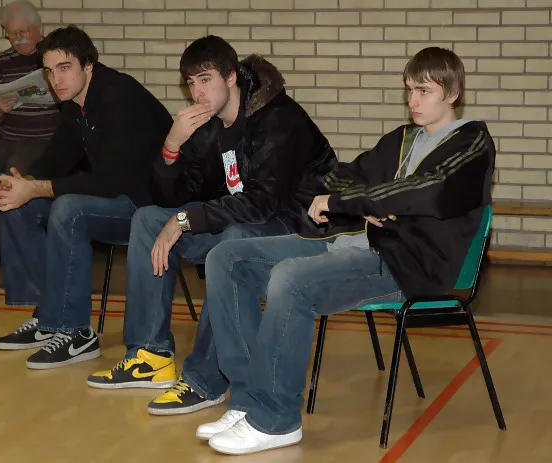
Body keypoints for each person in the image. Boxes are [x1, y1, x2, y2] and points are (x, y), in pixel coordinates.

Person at [200, 47, 496, 455]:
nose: (413, 101)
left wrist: (361, 201)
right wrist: (364, 202)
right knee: (227, 258)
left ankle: (277, 419)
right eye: (409, 90)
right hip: (356, 244)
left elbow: (428, 189)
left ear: (453, 93)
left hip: (408, 265)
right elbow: (338, 179)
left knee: (290, 280)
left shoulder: (472, 142)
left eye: (424, 91)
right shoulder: (401, 139)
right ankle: (249, 401)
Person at [86, 36, 343, 413]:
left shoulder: (279, 119)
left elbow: (263, 203)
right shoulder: (205, 125)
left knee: (232, 241)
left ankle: (206, 380)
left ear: (232, 77)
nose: (197, 93)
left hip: (299, 227)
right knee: (148, 220)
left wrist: (186, 220)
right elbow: (170, 199)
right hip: (238, 220)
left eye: (205, 80)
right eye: (191, 83)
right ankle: (150, 355)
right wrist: (171, 147)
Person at [0, 25, 173, 371]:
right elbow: (58, 156)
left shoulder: (120, 97)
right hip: (114, 196)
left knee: (68, 209)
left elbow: (111, 180)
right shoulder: (75, 101)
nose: (55, 80)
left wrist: (37, 189)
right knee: (18, 207)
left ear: (88, 66)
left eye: (64, 68)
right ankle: (48, 316)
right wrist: (23, 184)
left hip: (147, 206)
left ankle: (76, 332)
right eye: (49, 71)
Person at [0, 0, 59, 240]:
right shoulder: (1, 63)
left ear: (37, 27)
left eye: (22, 32)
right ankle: (5, 229)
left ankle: (20, 232)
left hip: (45, 140)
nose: (17, 39)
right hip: (8, 139)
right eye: (11, 33)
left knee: (13, 168)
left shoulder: (54, 57)